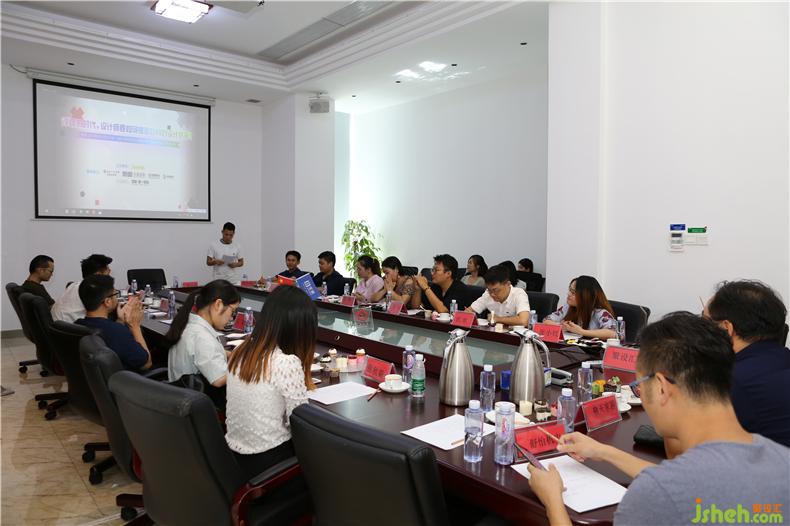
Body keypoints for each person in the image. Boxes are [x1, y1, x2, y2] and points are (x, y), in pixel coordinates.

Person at [527, 312, 790, 526]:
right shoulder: (782, 460)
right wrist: (603, 452)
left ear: (662, 388)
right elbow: (694, 485)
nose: (640, 393)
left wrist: (552, 501)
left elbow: (671, 487)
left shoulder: (657, 494)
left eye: (639, 385)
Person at [225, 286, 316, 478]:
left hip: (235, 460)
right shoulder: (285, 362)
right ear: (299, 329)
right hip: (272, 467)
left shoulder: (240, 351)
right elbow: (300, 426)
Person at [704, 280, 790, 447]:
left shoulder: (732, 382)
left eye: (705, 321)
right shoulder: (783, 357)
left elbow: (691, 447)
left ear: (727, 329)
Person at [166, 280, 241, 388]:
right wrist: (247, 365)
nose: (231, 318)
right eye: (233, 311)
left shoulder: (188, 324)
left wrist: (229, 354)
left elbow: (201, 351)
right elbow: (219, 379)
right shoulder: (203, 337)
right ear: (218, 304)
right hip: (195, 396)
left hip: (179, 392)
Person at [75, 274, 152, 371]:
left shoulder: (77, 325)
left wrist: (120, 320)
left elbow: (111, 335)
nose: (116, 297)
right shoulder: (116, 331)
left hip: (93, 378)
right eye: (115, 294)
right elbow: (146, 364)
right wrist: (135, 326)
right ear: (107, 302)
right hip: (126, 379)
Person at [543, 275, 617, 339]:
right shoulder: (567, 307)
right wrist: (562, 326)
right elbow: (546, 320)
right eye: (569, 290)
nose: (568, 294)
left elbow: (612, 333)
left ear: (585, 296)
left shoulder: (600, 312)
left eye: (573, 292)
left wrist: (581, 331)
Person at [52, 254, 112, 323]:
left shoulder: (75, 285)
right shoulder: (92, 289)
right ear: (98, 274)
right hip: (71, 327)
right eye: (108, 274)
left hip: (59, 325)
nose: (109, 278)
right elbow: (106, 309)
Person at [466, 265, 531, 326]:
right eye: (489, 290)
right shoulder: (487, 294)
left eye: (496, 290)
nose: (492, 294)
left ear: (508, 284)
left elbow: (524, 321)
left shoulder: (519, 294)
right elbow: (469, 311)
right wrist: (468, 314)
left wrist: (498, 319)